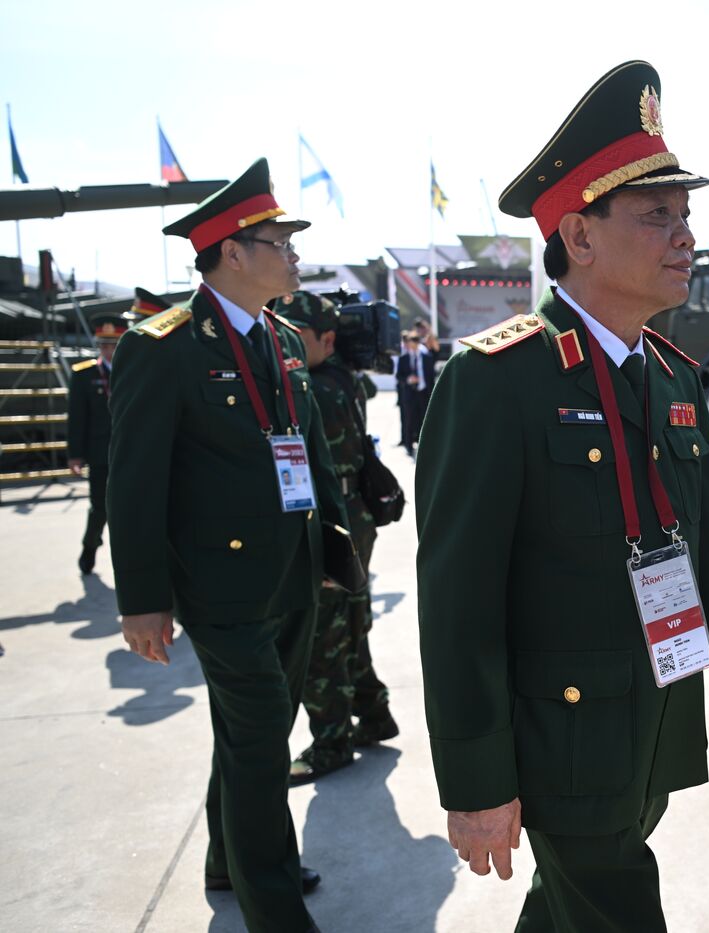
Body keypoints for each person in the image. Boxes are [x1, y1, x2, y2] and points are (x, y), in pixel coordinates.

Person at [416, 60, 709, 932]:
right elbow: (458, 599)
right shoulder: (499, 379)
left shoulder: (673, 377)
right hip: (561, 740)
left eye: (686, 215)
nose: (684, 235)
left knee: (568, 909)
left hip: (655, 717)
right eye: (657, 215)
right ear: (578, 237)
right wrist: (475, 783)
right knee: (613, 903)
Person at [107, 158, 348, 933]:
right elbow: (134, 481)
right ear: (233, 252)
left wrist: (338, 554)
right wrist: (143, 599)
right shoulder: (165, 345)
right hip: (220, 586)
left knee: (257, 734)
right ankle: (271, 904)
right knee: (259, 739)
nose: (295, 253)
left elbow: (309, 454)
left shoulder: (280, 337)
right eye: (280, 239)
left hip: (293, 577)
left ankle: (226, 857)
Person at [278, 291, 397, 786]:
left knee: (322, 635)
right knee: (350, 624)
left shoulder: (315, 388)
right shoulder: (342, 380)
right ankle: (372, 714)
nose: (283, 342)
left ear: (327, 340)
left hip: (331, 518)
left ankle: (331, 742)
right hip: (352, 516)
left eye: (296, 335)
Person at [67, 314, 128, 574]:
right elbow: (77, 418)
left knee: (129, 509)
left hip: (130, 452)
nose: (109, 351)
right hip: (100, 453)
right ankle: (90, 544)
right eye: (104, 345)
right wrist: (75, 455)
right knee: (100, 507)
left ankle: (127, 559)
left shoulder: (133, 371)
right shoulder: (84, 375)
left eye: (113, 345)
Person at [395, 332, 433, 454]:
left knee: (424, 420)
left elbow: (431, 377)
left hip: (423, 393)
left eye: (416, 341)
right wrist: (408, 379)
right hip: (409, 393)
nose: (414, 344)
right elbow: (399, 376)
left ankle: (424, 445)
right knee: (409, 420)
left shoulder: (426, 357)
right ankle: (408, 445)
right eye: (412, 341)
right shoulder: (404, 358)